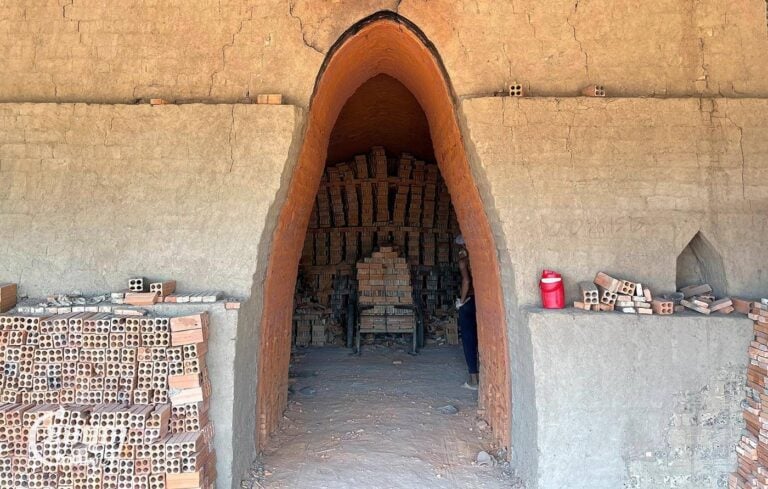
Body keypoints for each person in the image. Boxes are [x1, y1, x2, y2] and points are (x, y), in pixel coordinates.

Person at [454, 235, 478, 390]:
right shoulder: (478, 260)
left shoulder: (463, 261)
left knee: (468, 340)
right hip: (481, 302)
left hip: (468, 301)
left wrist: (461, 301)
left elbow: (467, 281)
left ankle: (473, 380)